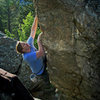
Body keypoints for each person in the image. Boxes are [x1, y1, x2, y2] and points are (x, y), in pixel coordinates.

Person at [16, 15, 55, 99]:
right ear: (23, 50)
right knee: (49, 85)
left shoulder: (28, 45)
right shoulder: (27, 57)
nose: (26, 43)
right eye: (24, 45)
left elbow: (33, 30)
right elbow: (41, 52)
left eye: (24, 42)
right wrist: (38, 40)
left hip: (42, 61)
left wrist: (36, 17)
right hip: (41, 72)